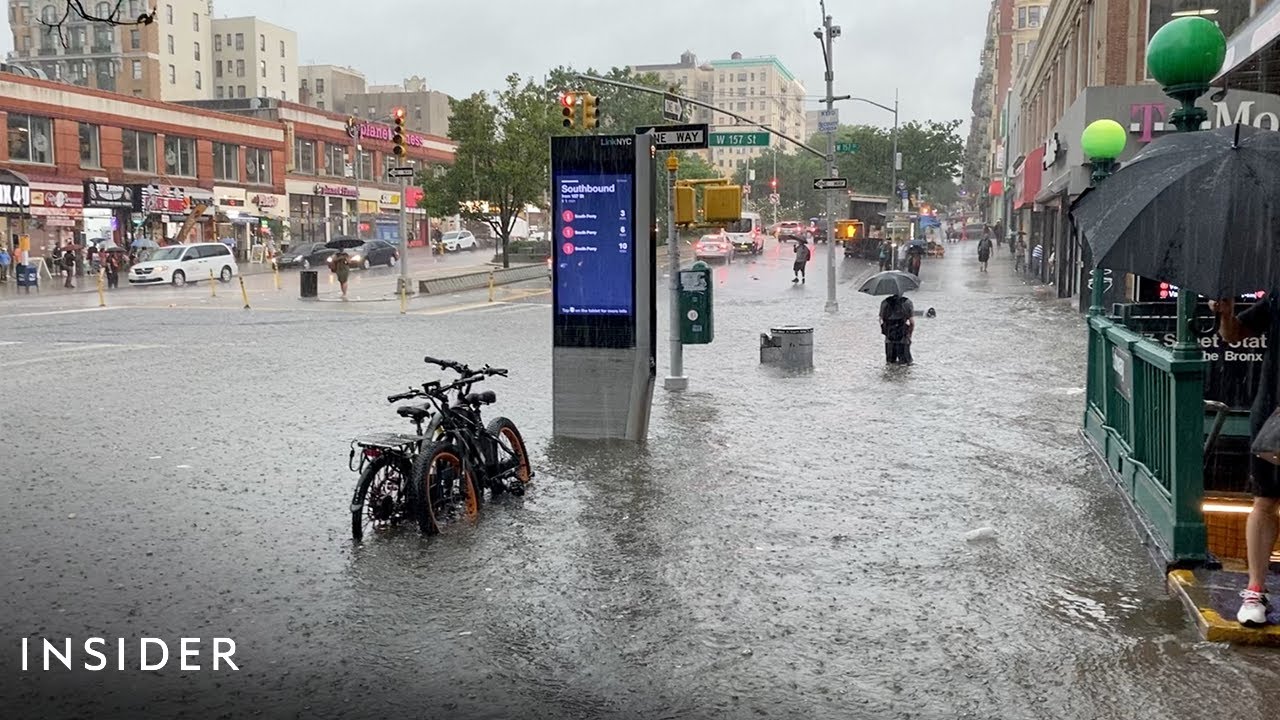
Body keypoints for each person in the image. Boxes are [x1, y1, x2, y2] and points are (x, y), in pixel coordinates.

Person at [1211, 295, 1280, 627]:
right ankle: (1255, 589)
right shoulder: (1278, 292)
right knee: (1265, 498)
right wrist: (1226, 315)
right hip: (1274, 412)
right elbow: (1234, 334)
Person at [880, 293, 915, 364]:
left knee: (890, 364)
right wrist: (909, 335)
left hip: (889, 338)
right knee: (906, 364)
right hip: (903, 338)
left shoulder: (884, 302)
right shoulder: (907, 302)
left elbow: (881, 320)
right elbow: (912, 322)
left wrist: (886, 332)